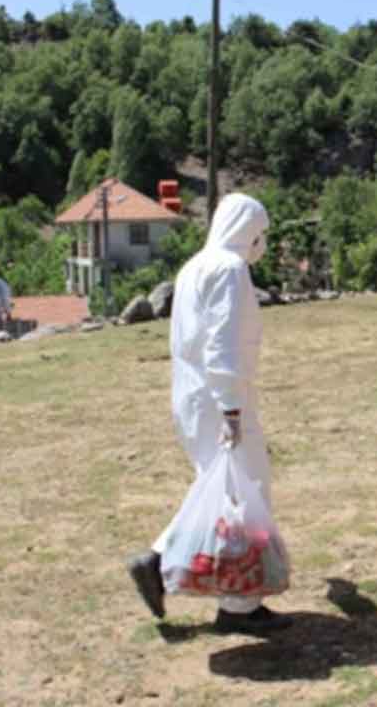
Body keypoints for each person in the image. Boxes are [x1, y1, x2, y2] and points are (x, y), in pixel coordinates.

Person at [127, 193, 291, 635]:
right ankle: (235, 605)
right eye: (259, 234)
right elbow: (224, 344)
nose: (261, 244)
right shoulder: (229, 270)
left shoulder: (193, 266)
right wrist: (233, 410)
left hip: (192, 397)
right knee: (245, 493)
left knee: (222, 492)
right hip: (218, 399)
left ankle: (175, 566)